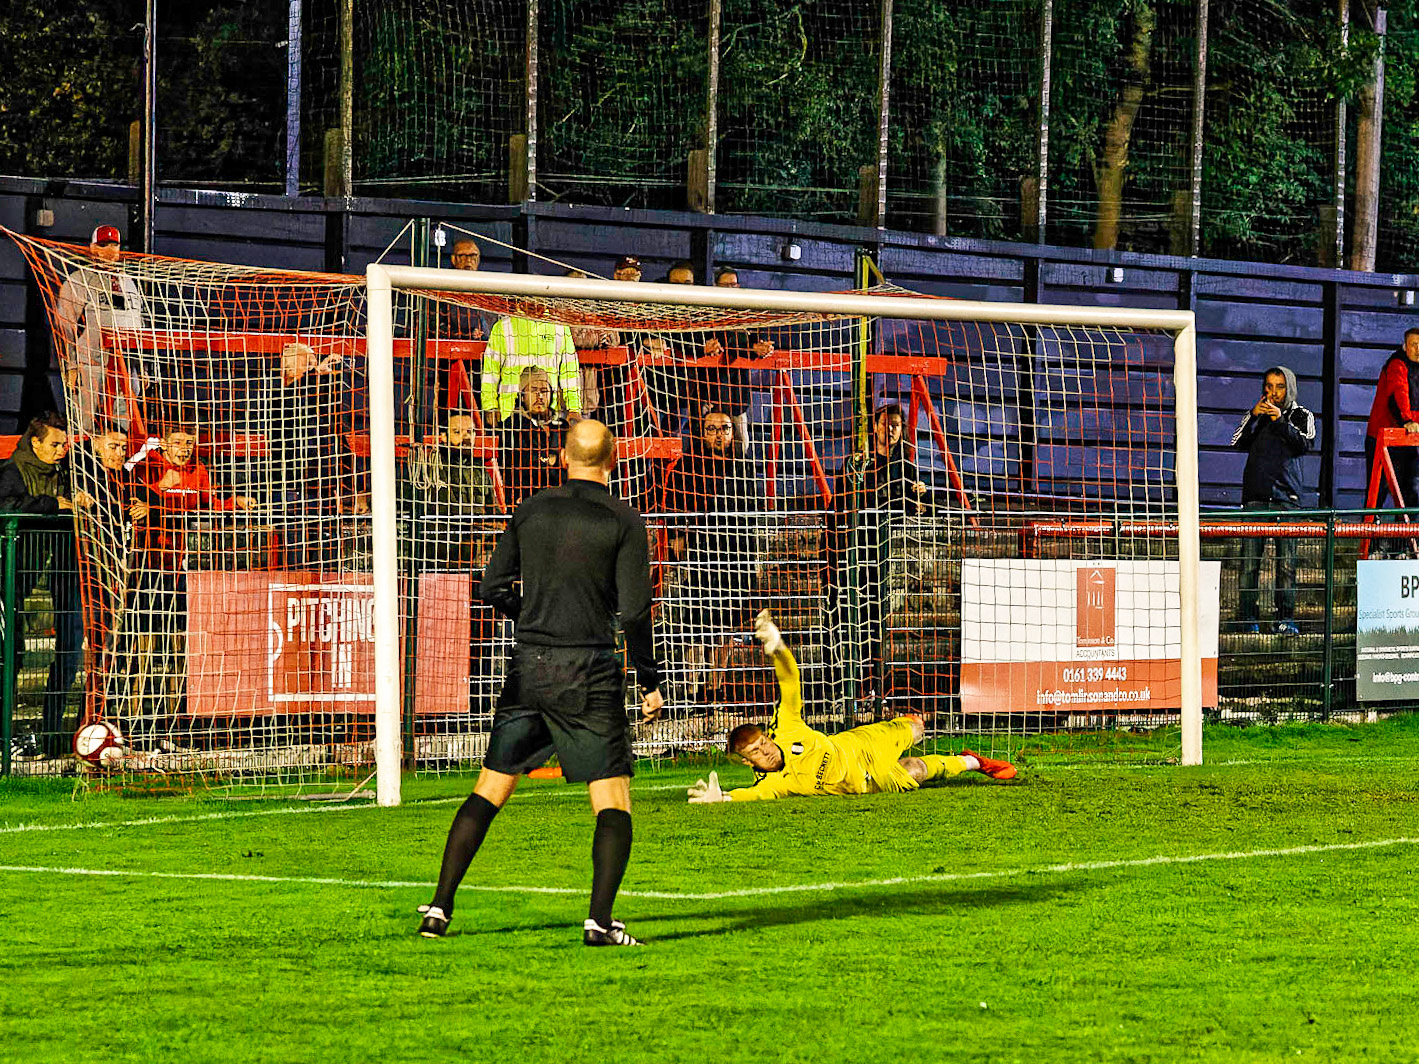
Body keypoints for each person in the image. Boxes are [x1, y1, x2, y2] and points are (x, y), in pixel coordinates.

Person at [418, 419, 666, 946]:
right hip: (589, 669)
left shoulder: (531, 508)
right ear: (614, 458)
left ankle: (438, 908)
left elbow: (489, 585)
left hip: (529, 665)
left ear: (562, 457)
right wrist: (649, 678)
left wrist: (526, 610)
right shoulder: (623, 518)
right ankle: (599, 921)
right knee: (613, 798)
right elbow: (636, 608)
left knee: (490, 787)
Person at [687, 610, 1015, 803]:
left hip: (858, 742)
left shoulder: (784, 727)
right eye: (755, 753)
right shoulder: (775, 783)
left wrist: (777, 647)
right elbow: (752, 795)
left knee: (916, 727)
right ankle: (971, 762)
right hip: (864, 779)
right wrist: (725, 798)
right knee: (914, 769)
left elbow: (790, 682)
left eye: (763, 743)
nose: (766, 751)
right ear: (747, 763)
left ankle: (916, 731)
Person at [826, 403, 930, 710]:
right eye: (886, 423)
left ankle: (874, 691)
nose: (891, 429)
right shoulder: (859, 464)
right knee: (847, 619)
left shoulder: (908, 469)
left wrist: (922, 498)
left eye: (897, 424)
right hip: (852, 552)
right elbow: (842, 500)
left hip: (885, 556)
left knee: (876, 624)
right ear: (875, 427)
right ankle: (845, 691)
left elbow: (916, 511)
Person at [661, 408, 761, 703]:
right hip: (702, 552)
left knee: (728, 623)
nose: (720, 435)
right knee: (697, 622)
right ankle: (692, 688)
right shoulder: (688, 467)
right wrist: (679, 537)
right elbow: (675, 503)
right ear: (702, 433)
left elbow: (752, 510)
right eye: (713, 429)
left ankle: (714, 687)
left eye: (725, 429)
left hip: (736, 552)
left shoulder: (742, 467)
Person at [0, 413, 84, 757]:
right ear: (35, 443)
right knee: (9, 655)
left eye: (64, 444)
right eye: (55, 444)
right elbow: (5, 506)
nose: (62, 450)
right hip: (8, 574)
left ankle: (45, 735)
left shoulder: (62, 472)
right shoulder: (12, 471)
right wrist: (52, 505)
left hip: (44, 571)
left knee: (47, 652)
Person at [1231, 366, 1315, 635]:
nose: (1273, 392)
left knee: (1287, 565)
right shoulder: (1256, 416)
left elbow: (1304, 444)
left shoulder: (1301, 415)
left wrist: (1280, 420)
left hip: (1286, 500)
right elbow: (1236, 442)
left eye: (1279, 387)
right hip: (1255, 499)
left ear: (1288, 388)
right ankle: (1247, 619)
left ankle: (1285, 619)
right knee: (1249, 564)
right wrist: (1254, 416)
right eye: (1269, 386)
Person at [52, 226, 146, 433]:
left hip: (126, 368)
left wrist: (143, 369)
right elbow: (64, 327)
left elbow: (139, 325)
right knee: (85, 428)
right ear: (92, 248)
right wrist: (71, 365)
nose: (109, 251)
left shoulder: (129, 282)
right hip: (91, 366)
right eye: (103, 245)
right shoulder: (78, 280)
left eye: (114, 245)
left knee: (122, 431)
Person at [481, 314, 582, 429]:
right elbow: (490, 371)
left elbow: (570, 371)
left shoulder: (560, 328)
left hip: (548, 417)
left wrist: (574, 408)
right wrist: (490, 406)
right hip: (511, 417)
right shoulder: (503, 327)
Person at [1365, 327, 1419, 509]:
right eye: (1414, 345)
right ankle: (1371, 535)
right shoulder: (1397, 364)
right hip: (1384, 436)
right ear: (1405, 346)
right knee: (1378, 492)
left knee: (1407, 492)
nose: (1418, 349)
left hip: (1404, 437)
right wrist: (1407, 421)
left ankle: (1405, 537)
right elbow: (1398, 395)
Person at [497, 368, 567, 508]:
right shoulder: (510, 427)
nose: (539, 396)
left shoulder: (563, 427)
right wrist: (553, 459)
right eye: (533, 390)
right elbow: (520, 466)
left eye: (544, 391)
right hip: (524, 503)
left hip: (561, 503)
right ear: (522, 396)